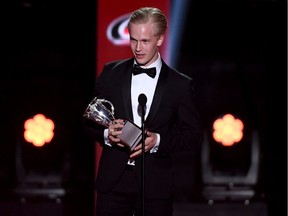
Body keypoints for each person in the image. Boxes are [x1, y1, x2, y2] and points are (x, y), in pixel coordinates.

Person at [84, 7, 203, 216]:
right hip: (113, 183)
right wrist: (106, 135)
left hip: (155, 186)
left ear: (160, 39)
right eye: (133, 40)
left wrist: (157, 141)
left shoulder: (180, 85)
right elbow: (89, 120)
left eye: (145, 41)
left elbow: (193, 136)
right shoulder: (111, 73)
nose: (137, 48)